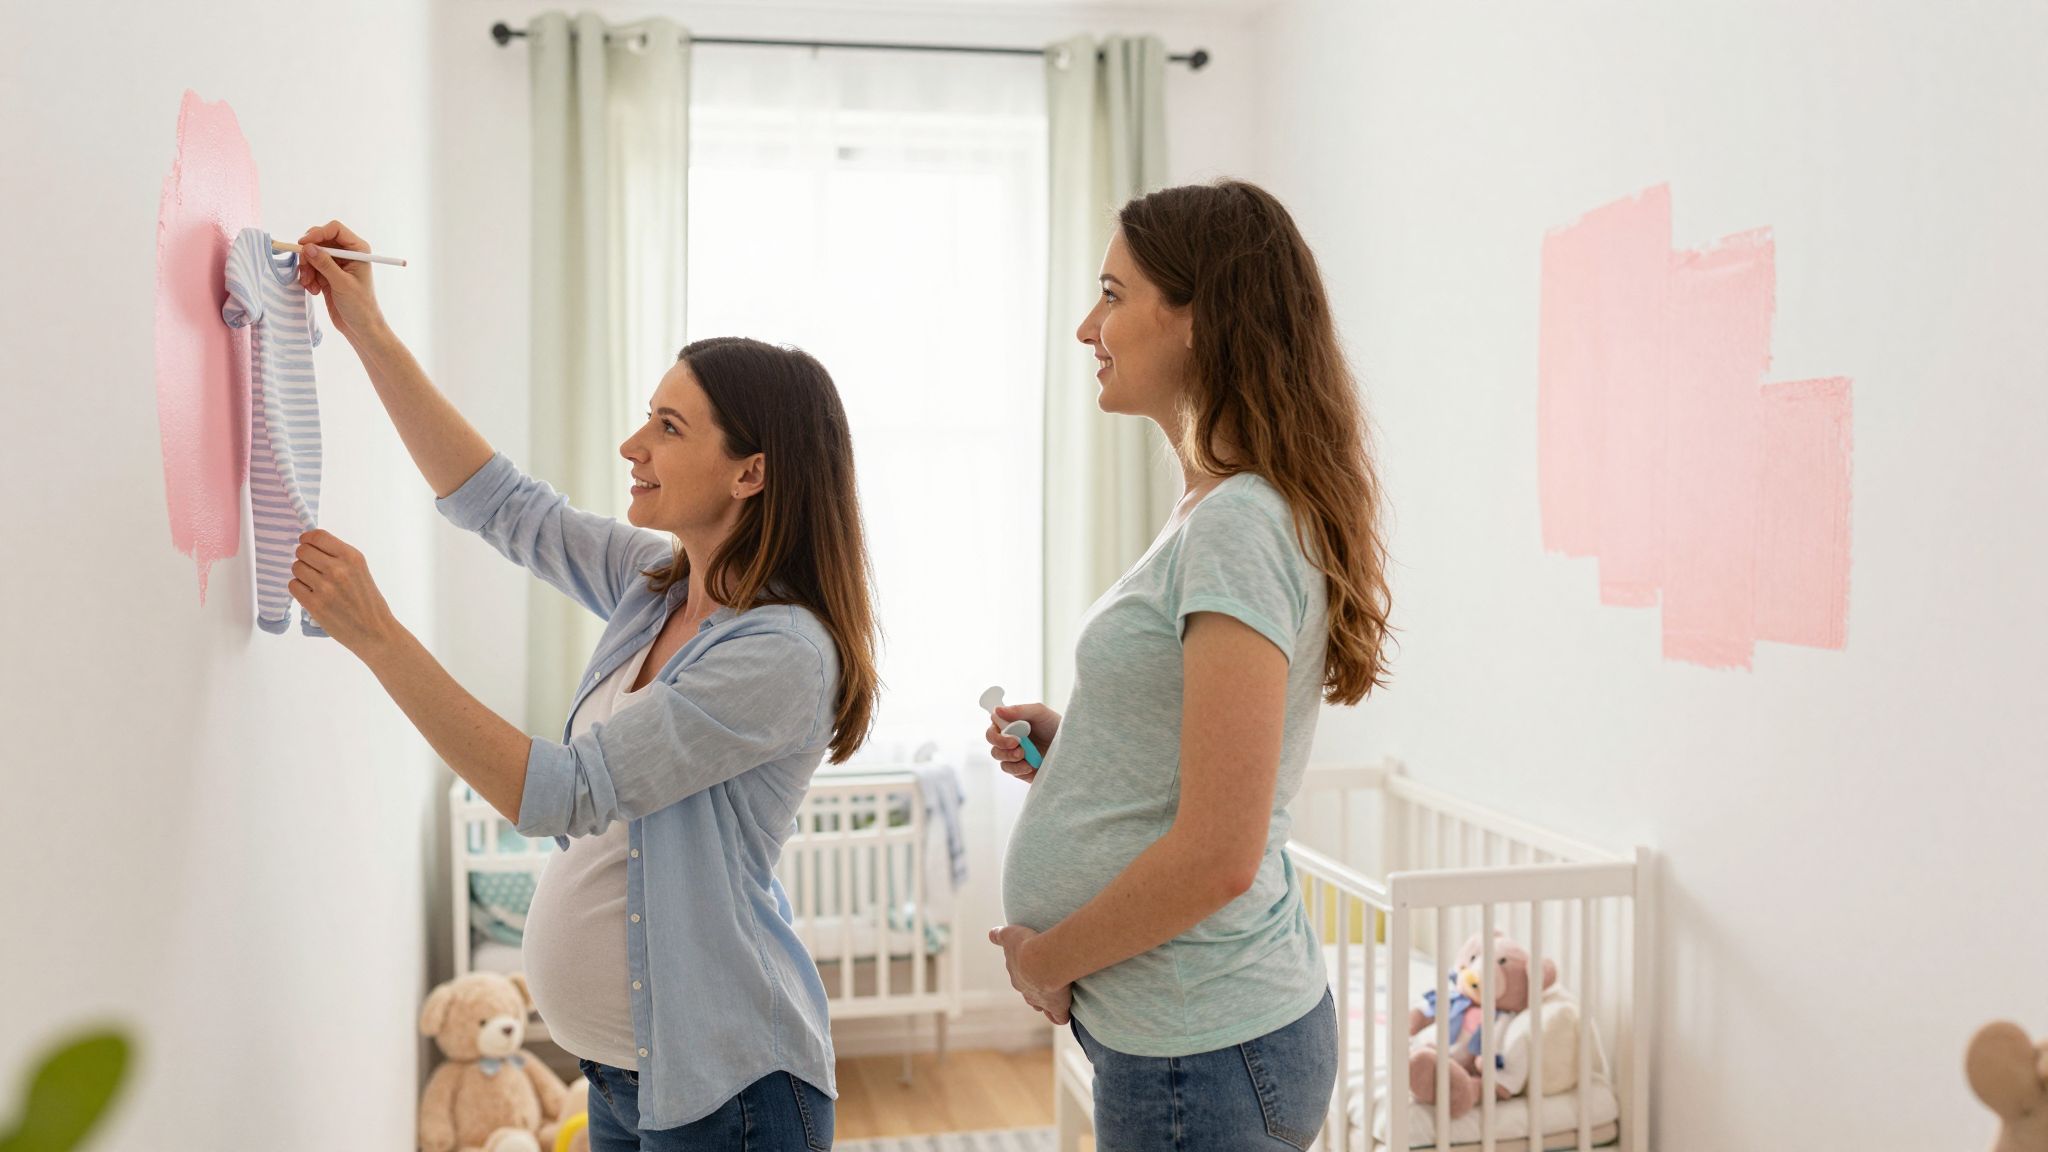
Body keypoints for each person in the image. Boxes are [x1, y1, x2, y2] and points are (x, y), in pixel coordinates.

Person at [287, 221, 876, 1151]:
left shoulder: (783, 652)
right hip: (620, 1079)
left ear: (751, 473)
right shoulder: (660, 583)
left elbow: (555, 791)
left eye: (669, 427)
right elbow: (505, 506)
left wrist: (379, 637)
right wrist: (367, 329)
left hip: (731, 1095)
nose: (633, 444)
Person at [986, 182, 1393, 1150]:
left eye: (1113, 294)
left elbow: (1217, 856)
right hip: (1184, 1036)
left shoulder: (1238, 525)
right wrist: (1079, 749)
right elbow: (1189, 766)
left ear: (1199, 318)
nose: (1089, 325)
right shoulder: (1213, 514)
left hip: (1202, 1043)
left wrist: (1048, 961)